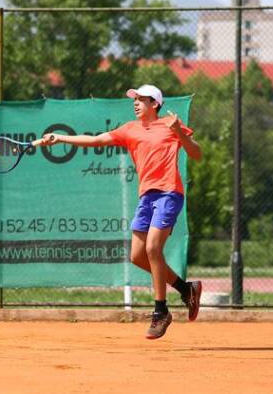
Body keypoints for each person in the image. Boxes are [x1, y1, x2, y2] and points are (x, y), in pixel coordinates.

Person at [41, 84, 203, 340]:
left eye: (141, 99)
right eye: (134, 99)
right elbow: (95, 140)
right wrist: (60, 138)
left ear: (155, 104)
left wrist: (179, 133)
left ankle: (160, 312)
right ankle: (186, 289)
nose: (135, 103)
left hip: (170, 192)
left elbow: (197, 153)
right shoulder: (130, 129)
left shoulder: (171, 126)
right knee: (138, 256)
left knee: (152, 249)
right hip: (147, 195)